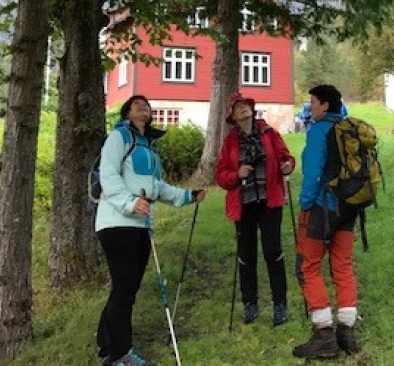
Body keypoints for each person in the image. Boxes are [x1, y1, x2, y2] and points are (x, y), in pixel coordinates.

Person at [95, 95, 206, 366]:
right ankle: (121, 354)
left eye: (146, 105)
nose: (143, 106)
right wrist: (129, 203)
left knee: (126, 288)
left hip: (141, 224)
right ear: (127, 112)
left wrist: (187, 196)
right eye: (136, 104)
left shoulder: (150, 146)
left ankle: (107, 343)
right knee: (125, 288)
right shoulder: (119, 137)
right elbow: (108, 174)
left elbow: (158, 186)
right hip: (117, 222)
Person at [215, 93, 296, 326]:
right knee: (247, 255)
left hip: (270, 201)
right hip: (244, 204)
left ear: (251, 109)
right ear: (233, 116)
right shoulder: (230, 141)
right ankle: (250, 304)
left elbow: (286, 157)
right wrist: (236, 174)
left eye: (245, 106)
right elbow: (220, 175)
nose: (243, 109)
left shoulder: (269, 133)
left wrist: (288, 166)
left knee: (273, 252)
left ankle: (280, 304)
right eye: (237, 107)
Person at [292, 84, 360, 359]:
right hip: (349, 208)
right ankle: (347, 331)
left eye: (313, 102)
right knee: (342, 265)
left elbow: (312, 173)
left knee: (308, 267)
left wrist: (306, 203)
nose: (310, 107)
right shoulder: (349, 129)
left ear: (324, 105)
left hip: (321, 208)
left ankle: (323, 335)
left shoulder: (319, 131)